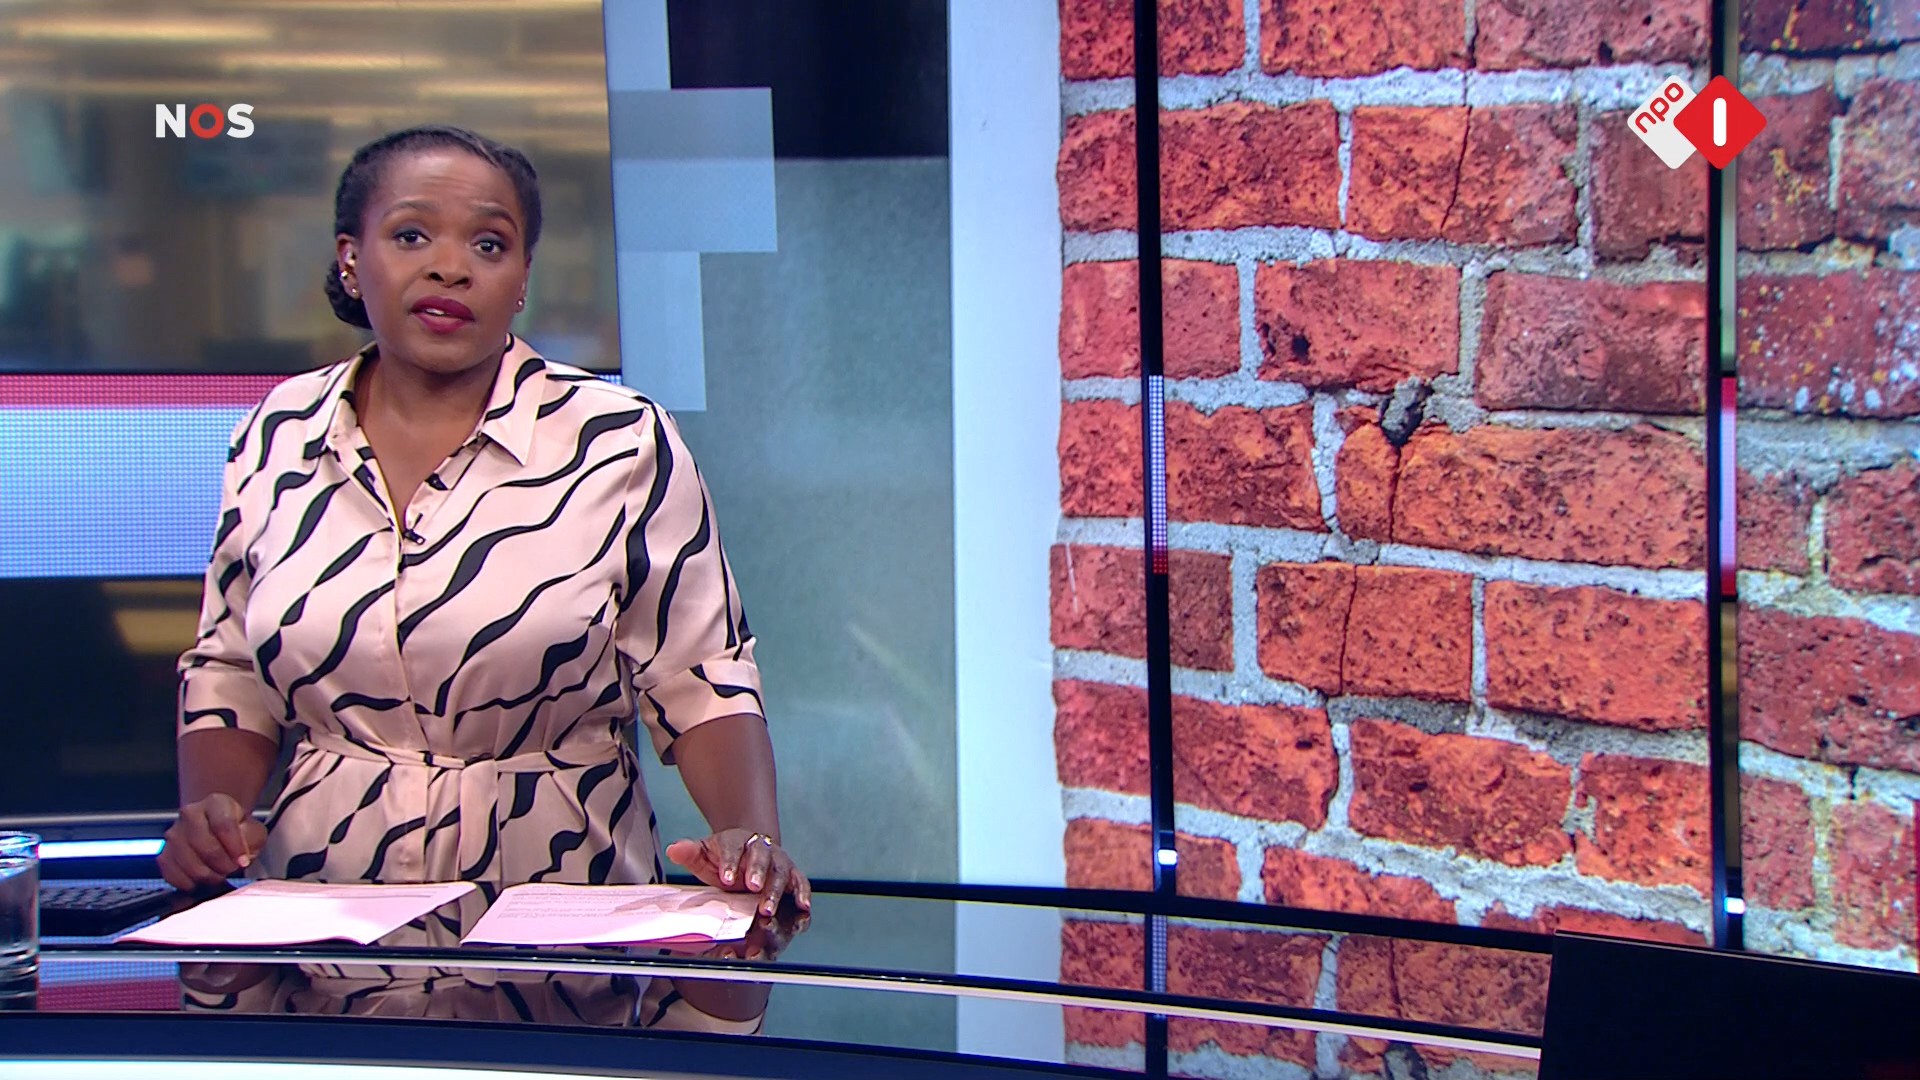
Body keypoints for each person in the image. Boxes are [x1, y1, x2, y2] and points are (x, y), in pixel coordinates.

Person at [156, 126, 809, 928]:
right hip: (321, 915)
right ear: (351, 258)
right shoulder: (277, 432)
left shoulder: (617, 439)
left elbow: (700, 673)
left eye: (489, 244)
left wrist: (748, 839)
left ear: (522, 277)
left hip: (559, 913)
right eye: (411, 235)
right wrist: (211, 817)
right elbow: (230, 668)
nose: (450, 267)